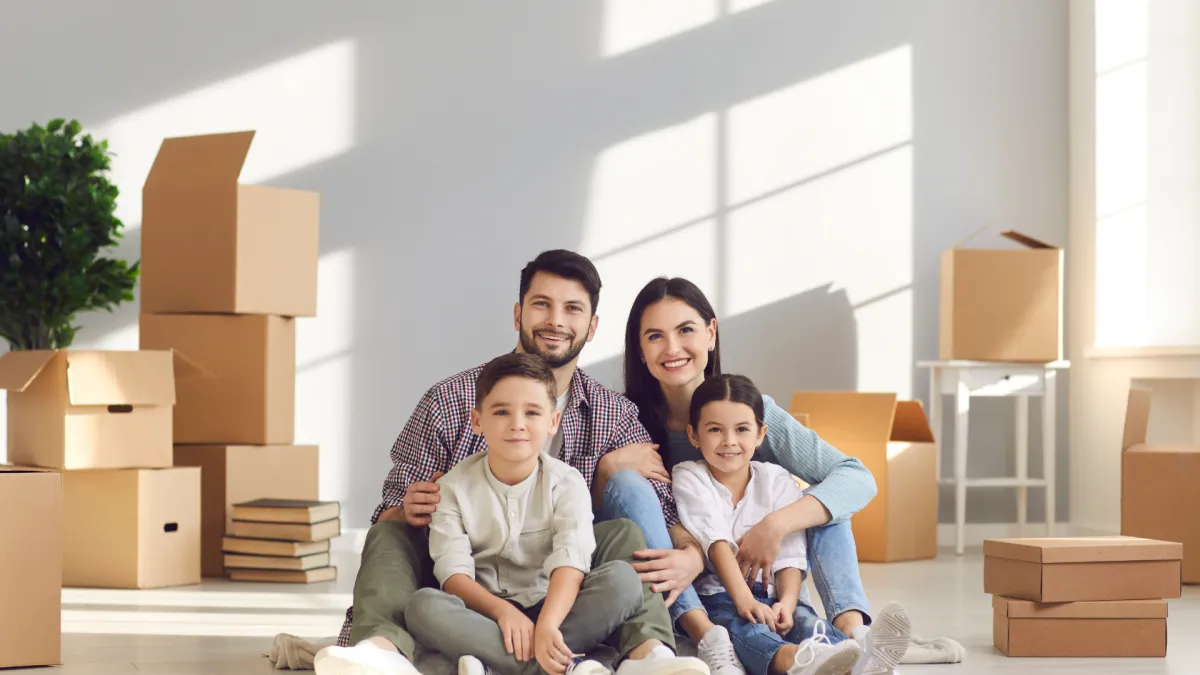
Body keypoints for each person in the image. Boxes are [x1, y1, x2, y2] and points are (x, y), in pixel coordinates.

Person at [315, 251, 713, 675]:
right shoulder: (449, 401)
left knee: (625, 534)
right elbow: (389, 511)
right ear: (519, 313)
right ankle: (380, 651)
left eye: (573, 308)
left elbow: (661, 513)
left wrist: (692, 553)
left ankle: (647, 655)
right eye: (542, 304)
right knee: (389, 532)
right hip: (465, 589)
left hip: (564, 590)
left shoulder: (613, 413)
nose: (556, 321)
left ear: (592, 326)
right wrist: (407, 509)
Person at [618, 277, 879, 647]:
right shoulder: (628, 423)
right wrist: (692, 552)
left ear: (711, 334)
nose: (672, 347)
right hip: (692, 582)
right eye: (655, 336)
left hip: (765, 572)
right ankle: (705, 634)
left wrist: (773, 526)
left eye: (686, 330)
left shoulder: (750, 413)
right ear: (640, 350)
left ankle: (857, 632)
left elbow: (857, 478)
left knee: (827, 504)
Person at [404, 353, 646, 675]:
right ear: (477, 421)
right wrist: (503, 612)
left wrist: (546, 625)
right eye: (501, 411)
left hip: (557, 609)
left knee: (624, 581)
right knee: (423, 606)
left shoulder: (567, 481)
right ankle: (563, 665)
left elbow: (571, 559)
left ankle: (501, 664)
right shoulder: (452, 488)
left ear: (553, 421)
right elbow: (454, 575)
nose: (517, 424)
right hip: (486, 615)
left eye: (532, 412)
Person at [673, 374, 911, 675]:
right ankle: (796, 662)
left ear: (761, 434)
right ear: (693, 435)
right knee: (749, 631)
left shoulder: (776, 479)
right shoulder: (689, 476)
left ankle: (861, 656)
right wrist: (744, 600)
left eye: (742, 430)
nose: (729, 441)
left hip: (773, 592)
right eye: (715, 430)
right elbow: (715, 542)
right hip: (720, 595)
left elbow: (791, 553)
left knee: (808, 623)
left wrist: (786, 600)